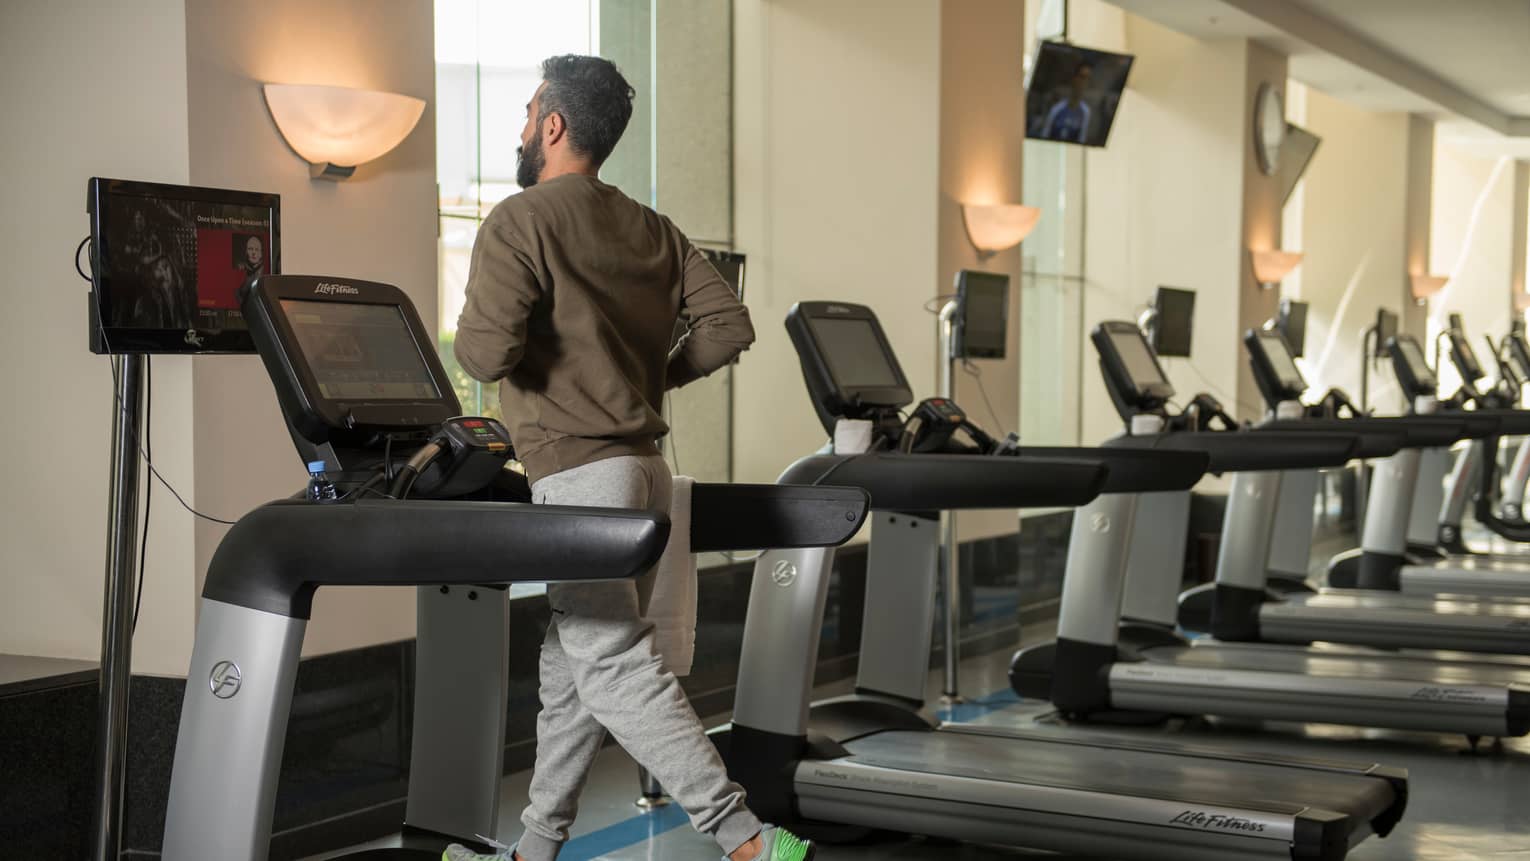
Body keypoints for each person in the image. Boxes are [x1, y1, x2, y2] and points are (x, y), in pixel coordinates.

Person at [447, 55, 813, 861]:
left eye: (526, 111)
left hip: (580, 476)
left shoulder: (521, 218)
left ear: (552, 124)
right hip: (646, 472)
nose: (519, 127)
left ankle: (748, 840)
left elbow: (482, 353)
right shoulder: (653, 226)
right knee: (571, 661)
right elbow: (728, 328)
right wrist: (652, 374)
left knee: (611, 661)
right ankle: (533, 849)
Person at [1039, 60, 1094, 143]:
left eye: (1088, 78)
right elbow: (1044, 135)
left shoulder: (1086, 112)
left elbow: (1081, 140)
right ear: (1074, 78)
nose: (1084, 82)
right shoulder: (1056, 108)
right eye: (1082, 77)